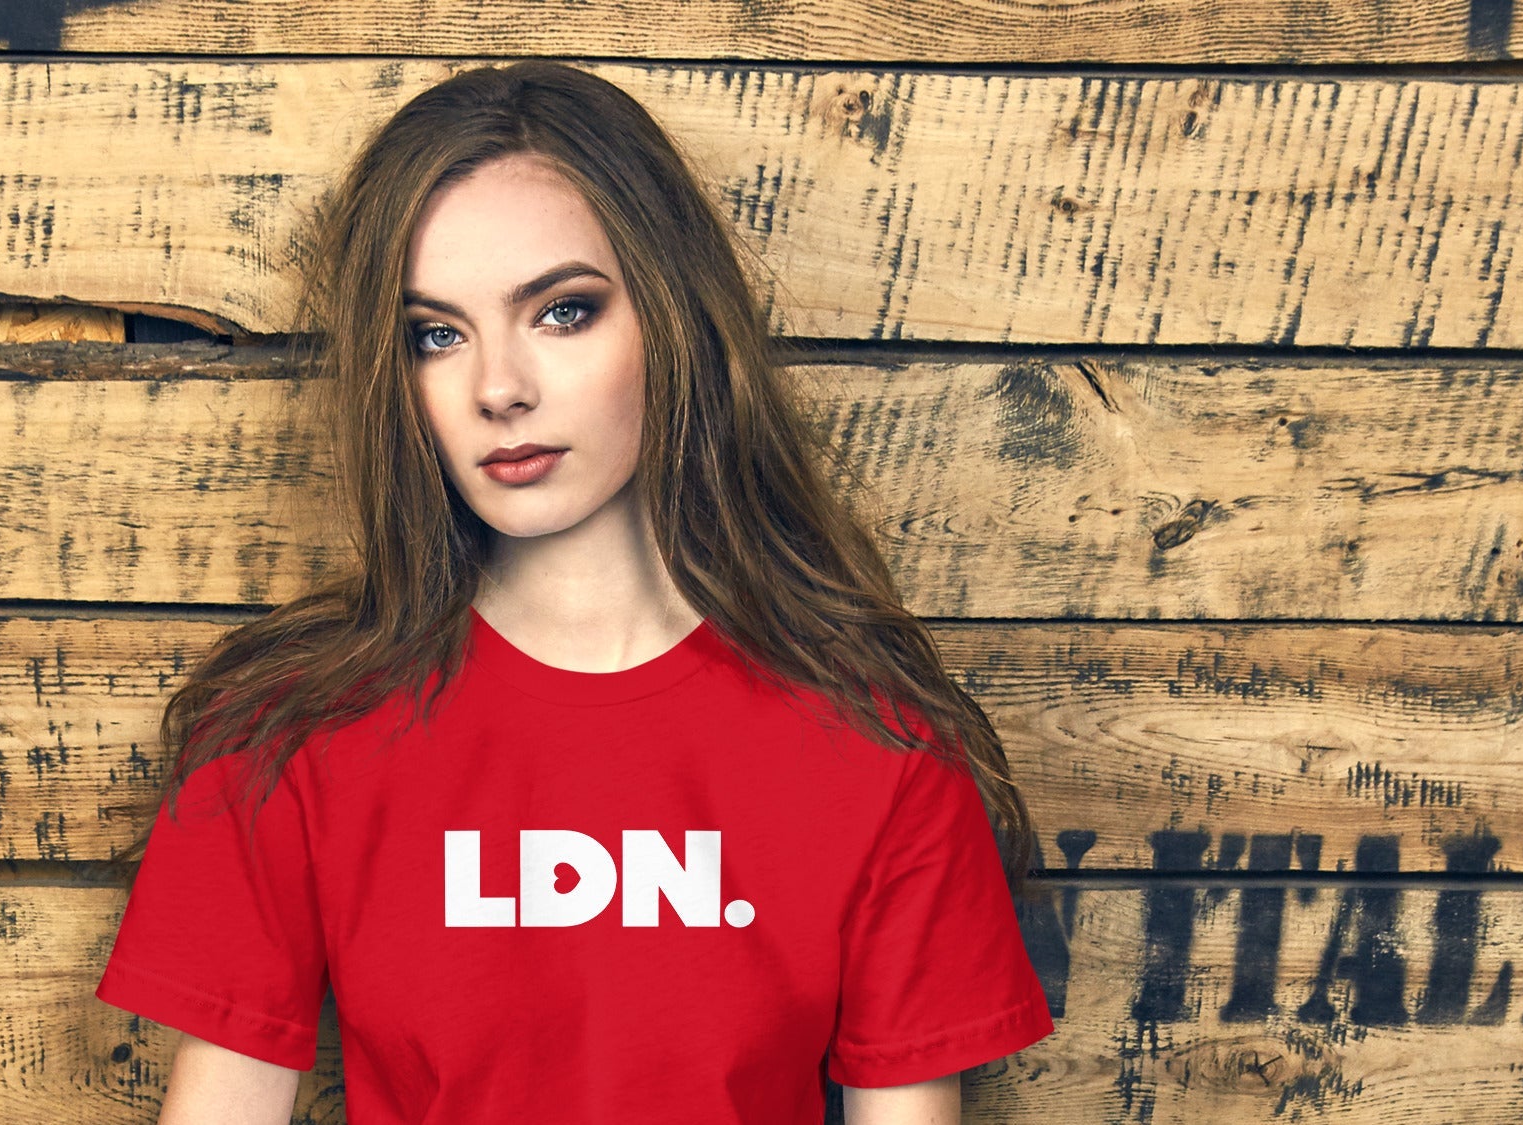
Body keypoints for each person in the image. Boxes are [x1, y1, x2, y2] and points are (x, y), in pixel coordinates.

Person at [93, 60, 1055, 1124]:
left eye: (562, 311)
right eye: (436, 335)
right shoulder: (288, 733)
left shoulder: (877, 746)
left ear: (673, 317)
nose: (498, 387)